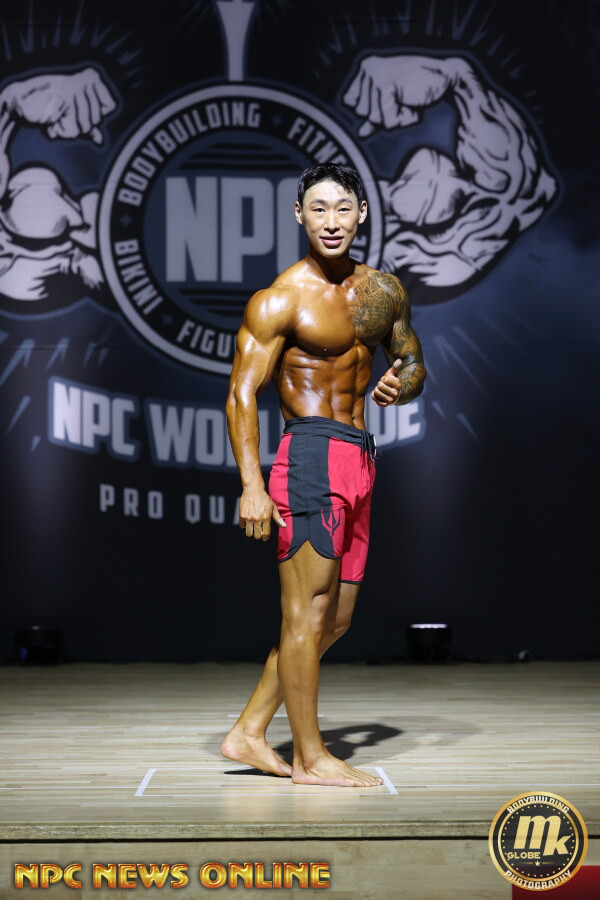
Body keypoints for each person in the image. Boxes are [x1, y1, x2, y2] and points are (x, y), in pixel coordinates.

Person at [222, 162, 426, 787]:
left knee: (334, 620)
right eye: (318, 208)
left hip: (360, 456)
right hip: (310, 455)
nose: (331, 221)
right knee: (305, 615)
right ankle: (310, 759)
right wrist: (252, 485)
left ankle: (248, 731)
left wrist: (402, 384)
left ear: (361, 213)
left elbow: (412, 359)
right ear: (299, 216)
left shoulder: (383, 291)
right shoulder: (280, 299)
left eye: (342, 208)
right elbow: (241, 393)